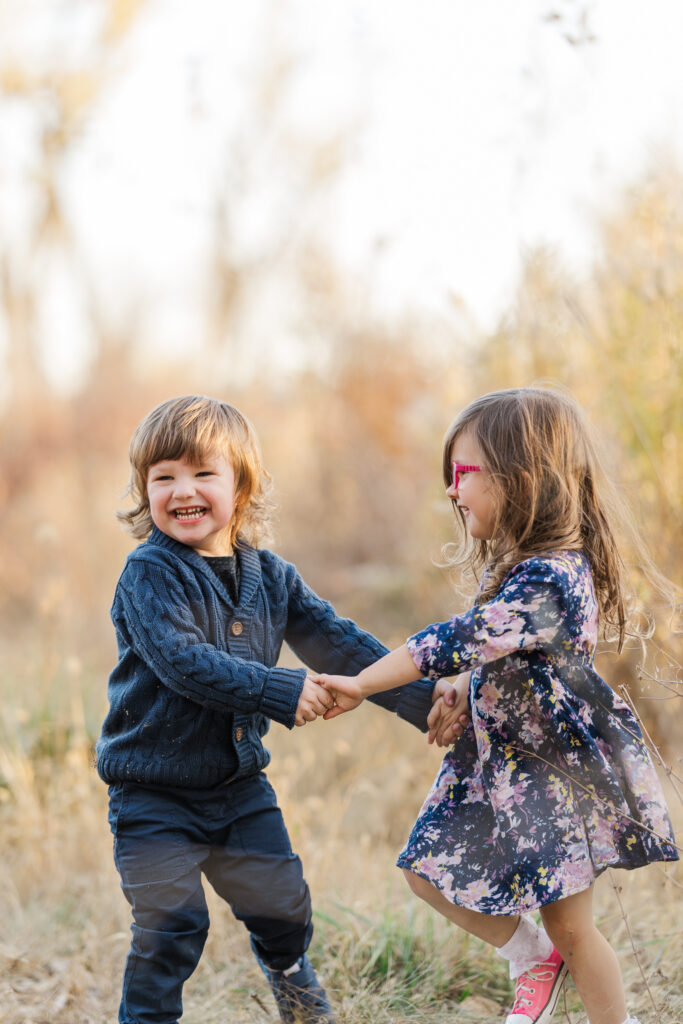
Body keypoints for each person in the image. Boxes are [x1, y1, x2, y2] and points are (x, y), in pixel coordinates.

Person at [317, 387, 679, 1024]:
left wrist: (363, 682)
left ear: (524, 478)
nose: (453, 493)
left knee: (572, 927)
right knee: (425, 869)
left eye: (463, 475)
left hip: (553, 778)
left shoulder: (557, 577)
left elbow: (459, 638)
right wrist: (461, 687)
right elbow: (494, 645)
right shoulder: (521, 569)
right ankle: (530, 958)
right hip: (495, 771)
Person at [96, 394, 460, 1024]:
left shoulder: (271, 576)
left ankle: (294, 988)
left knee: (284, 911)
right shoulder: (149, 574)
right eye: (163, 478)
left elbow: (339, 643)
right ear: (145, 491)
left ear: (241, 486)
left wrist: (424, 699)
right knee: (170, 929)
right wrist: (282, 689)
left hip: (238, 791)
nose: (182, 490)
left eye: (202, 472)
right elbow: (183, 663)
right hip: (151, 794)